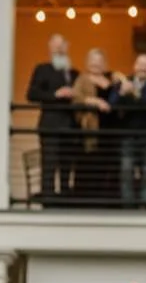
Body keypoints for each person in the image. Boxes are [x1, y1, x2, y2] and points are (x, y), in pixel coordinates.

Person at [25, 34, 78, 206]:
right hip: (50, 124)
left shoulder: (74, 73)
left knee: (66, 166)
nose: (59, 49)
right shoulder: (43, 69)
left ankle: (65, 202)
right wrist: (55, 95)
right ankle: (48, 202)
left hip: (70, 126)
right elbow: (32, 94)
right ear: (50, 48)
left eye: (62, 45)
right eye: (56, 46)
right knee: (49, 164)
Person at [113, 51, 146, 207]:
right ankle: (128, 206)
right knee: (126, 171)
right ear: (134, 66)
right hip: (127, 135)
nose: (143, 68)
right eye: (141, 65)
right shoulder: (123, 82)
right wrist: (122, 92)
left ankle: (145, 206)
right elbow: (113, 104)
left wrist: (133, 93)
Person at [69, 47, 117, 205]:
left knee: (108, 167)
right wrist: (95, 101)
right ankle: (87, 203)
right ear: (87, 63)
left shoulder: (112, 79)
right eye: (92, 61)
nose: (95, 64)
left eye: (99, 61)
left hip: (110, 130)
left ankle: (106, 204)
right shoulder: (82, 79)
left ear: (104, 63)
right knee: (89, 166)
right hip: (90, 131)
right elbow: (76, 98)